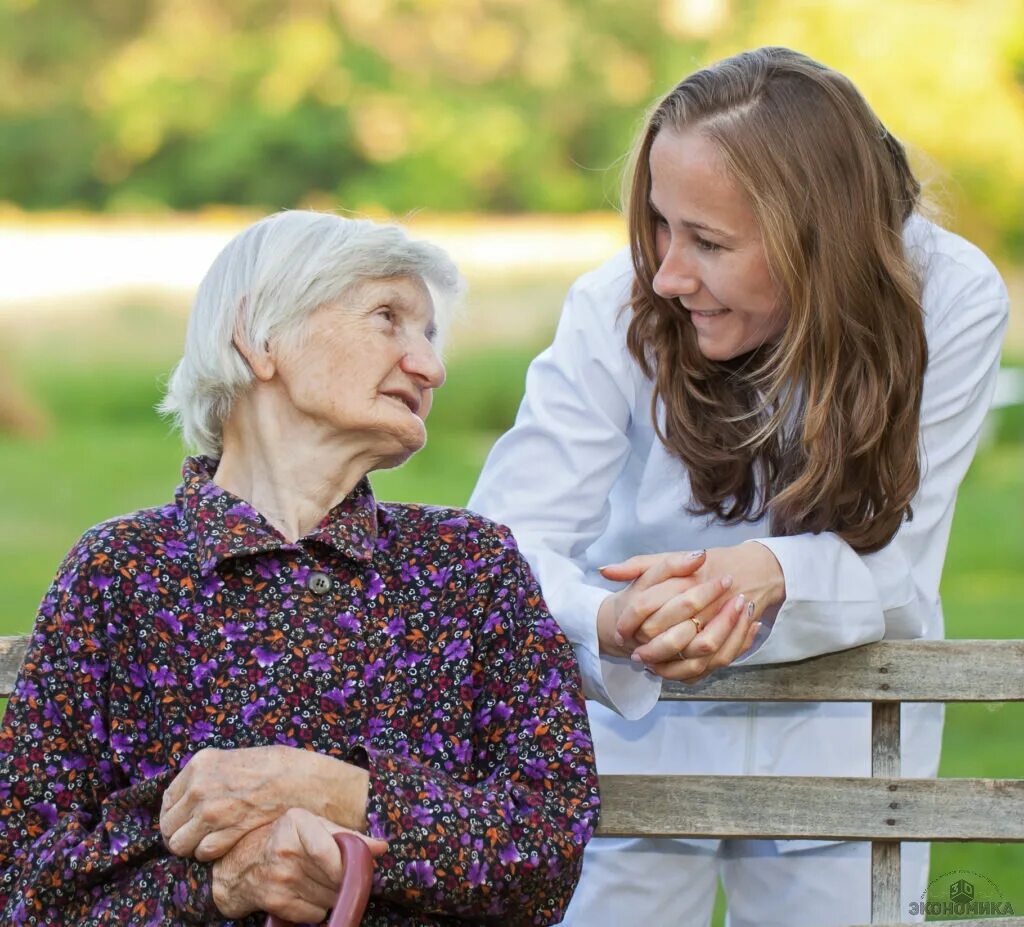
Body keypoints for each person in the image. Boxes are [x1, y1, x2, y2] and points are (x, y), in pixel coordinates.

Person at [469, 47, 1009, 927]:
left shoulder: (946, 298)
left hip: (845, 731)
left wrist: (766, 572)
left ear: (816, 237)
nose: (669, 273)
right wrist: (607, 620)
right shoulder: (618, 302)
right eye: (657, 224)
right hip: (632, 733)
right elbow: (501, 543)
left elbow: (900, 557)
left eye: (709, 242)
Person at [0, 211, 600, 926]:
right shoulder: (118, 574)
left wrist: (332, 790)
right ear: (259, 337)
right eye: (389, 317)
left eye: (431, 336)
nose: (431, 366)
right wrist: (220, 887)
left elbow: (549, 848)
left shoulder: (473, 567)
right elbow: (26, 887)